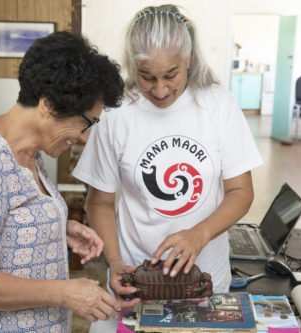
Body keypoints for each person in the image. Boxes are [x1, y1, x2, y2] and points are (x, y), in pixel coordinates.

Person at [72, 3, 263, 313]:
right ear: (132, 66)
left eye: (170, 75)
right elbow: (100, 201)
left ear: (188, 59)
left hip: (206, 279)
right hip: (138, 281)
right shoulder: (115, 112)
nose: (160, 90)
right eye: (146, 77)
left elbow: (241, 192)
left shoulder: (219, 105)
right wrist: (116, 262)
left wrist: (199, 235)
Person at [0, 31, 124, 332]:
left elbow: (0, 224)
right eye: (86, 123)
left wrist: (56, 227)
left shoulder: (30, 153)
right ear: (48, 105)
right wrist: (66, 292)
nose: (85, 137)